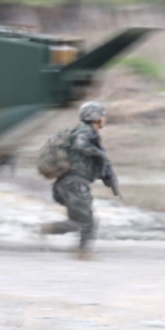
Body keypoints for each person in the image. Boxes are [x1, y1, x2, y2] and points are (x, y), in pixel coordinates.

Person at [41, 101, 116, 258]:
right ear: (95, 117)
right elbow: (80, 144)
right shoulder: (86, 132)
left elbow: (86, 161)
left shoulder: (83, 132)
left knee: (78, 220)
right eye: (102, 116)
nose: (104, 118)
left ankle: (55, 232)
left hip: (67, 184)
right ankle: (82, 252)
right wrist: (99, 153)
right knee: (87, 221)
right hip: (75, 183)